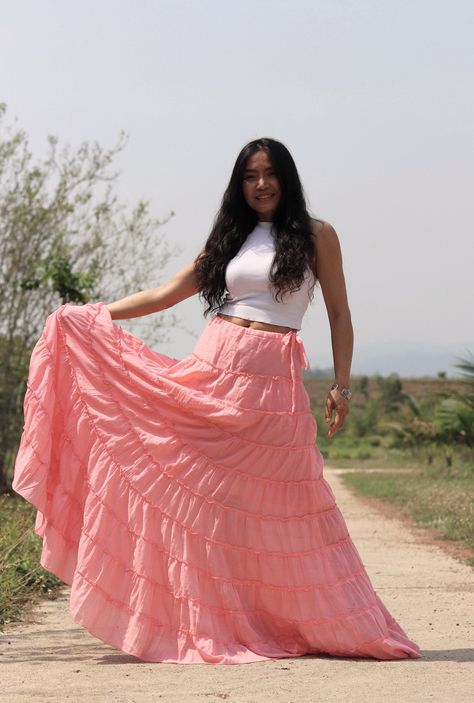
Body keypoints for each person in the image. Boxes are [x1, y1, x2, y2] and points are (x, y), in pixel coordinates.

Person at [12, 137, 421, 665]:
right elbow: (167, 293)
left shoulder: (318, 235)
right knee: (198, 498)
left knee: (287, 503)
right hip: (215, 369)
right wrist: (93, 316)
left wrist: (341, 386)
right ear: (240, 183)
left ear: (286, 178)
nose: (261, 185)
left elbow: (340, 314)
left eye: (269, 174)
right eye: (250, 176)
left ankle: (307, 619)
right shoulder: (230, 237)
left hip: (273, 385)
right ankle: (212, 619)